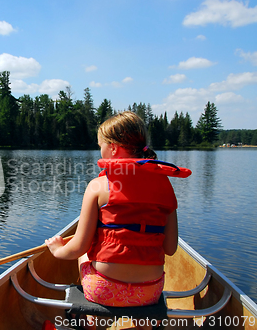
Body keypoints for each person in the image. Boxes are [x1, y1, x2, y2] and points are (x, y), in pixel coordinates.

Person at [45, 111, 191, 330]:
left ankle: (96, 321)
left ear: (113, 148)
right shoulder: (165, 185)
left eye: (100, 145)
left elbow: (78, 247)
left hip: (104, 290)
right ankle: (143, 325)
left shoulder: (97, 185)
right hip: (149, 293)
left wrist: (56, 250)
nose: (100, 150)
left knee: (86, 252)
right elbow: (170, 249)